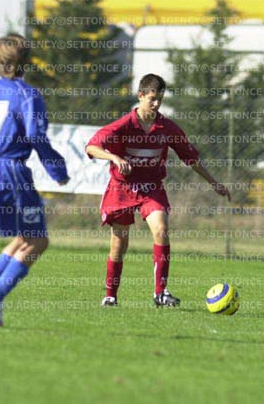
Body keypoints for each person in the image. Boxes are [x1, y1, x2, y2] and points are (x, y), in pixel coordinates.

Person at [86, 73, 230, 307]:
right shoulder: (124, 125)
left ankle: (160, 293)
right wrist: (114, 157)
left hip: (151, 188)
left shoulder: (166, 127)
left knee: (161, 229)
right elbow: (92, 147)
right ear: (140, 96)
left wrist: (215, 183)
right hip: (122, 187)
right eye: (152, 98)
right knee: (119, 245)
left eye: (160, 99)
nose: (156, 104)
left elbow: (190, 158)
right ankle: (111, 295)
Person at [0, 33, 69, 327]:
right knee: (38, 241)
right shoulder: (27, 95)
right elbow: (34, 135)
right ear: (26, 62)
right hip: (12, 171)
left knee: (23, 237)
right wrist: (57, 169)